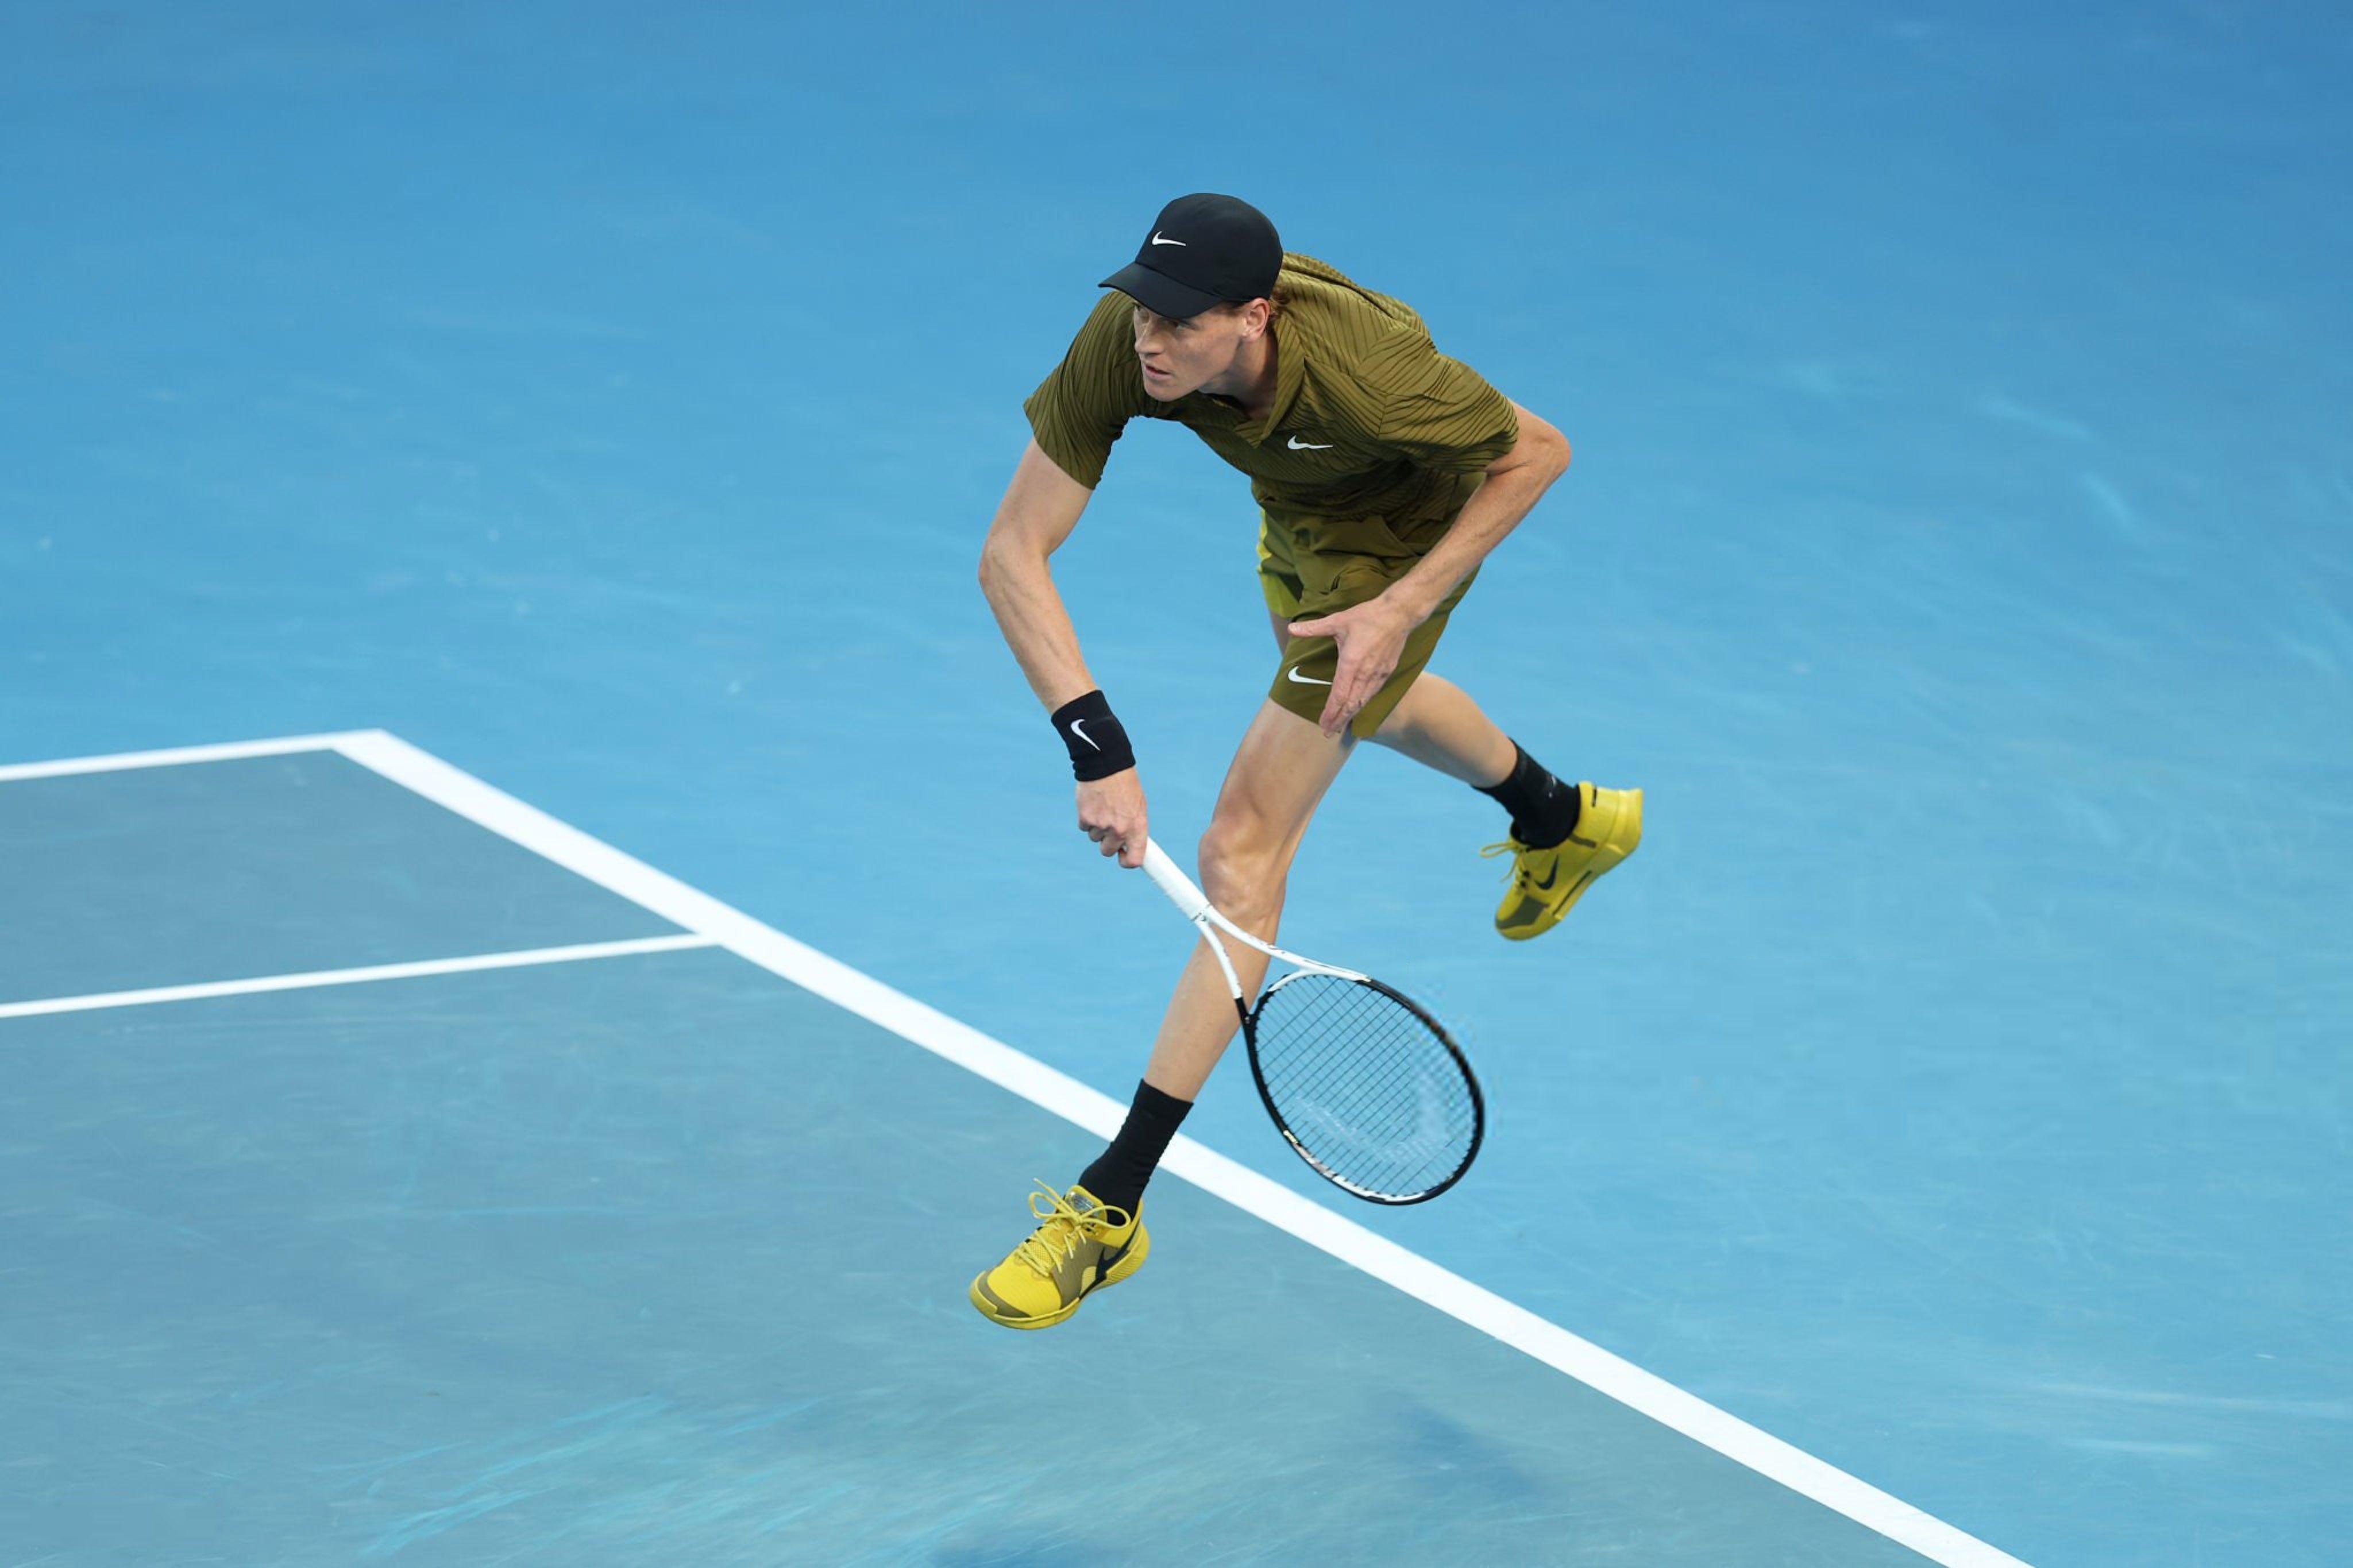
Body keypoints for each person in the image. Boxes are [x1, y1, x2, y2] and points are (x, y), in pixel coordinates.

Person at [969, 194, 1642, 1330]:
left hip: (1406, 536)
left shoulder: (1371, 376)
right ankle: (1560, 818)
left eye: (1181, 323)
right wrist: (1098, 747)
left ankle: (1110, 1205)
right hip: (1300, 506)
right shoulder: (1129, 342)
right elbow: (1011, 552)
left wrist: (1400, 606)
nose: (1150, 340)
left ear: (1255, 317)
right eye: (1143, 312)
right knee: (1359, 705)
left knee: (1240, 850)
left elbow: (1538, 450)